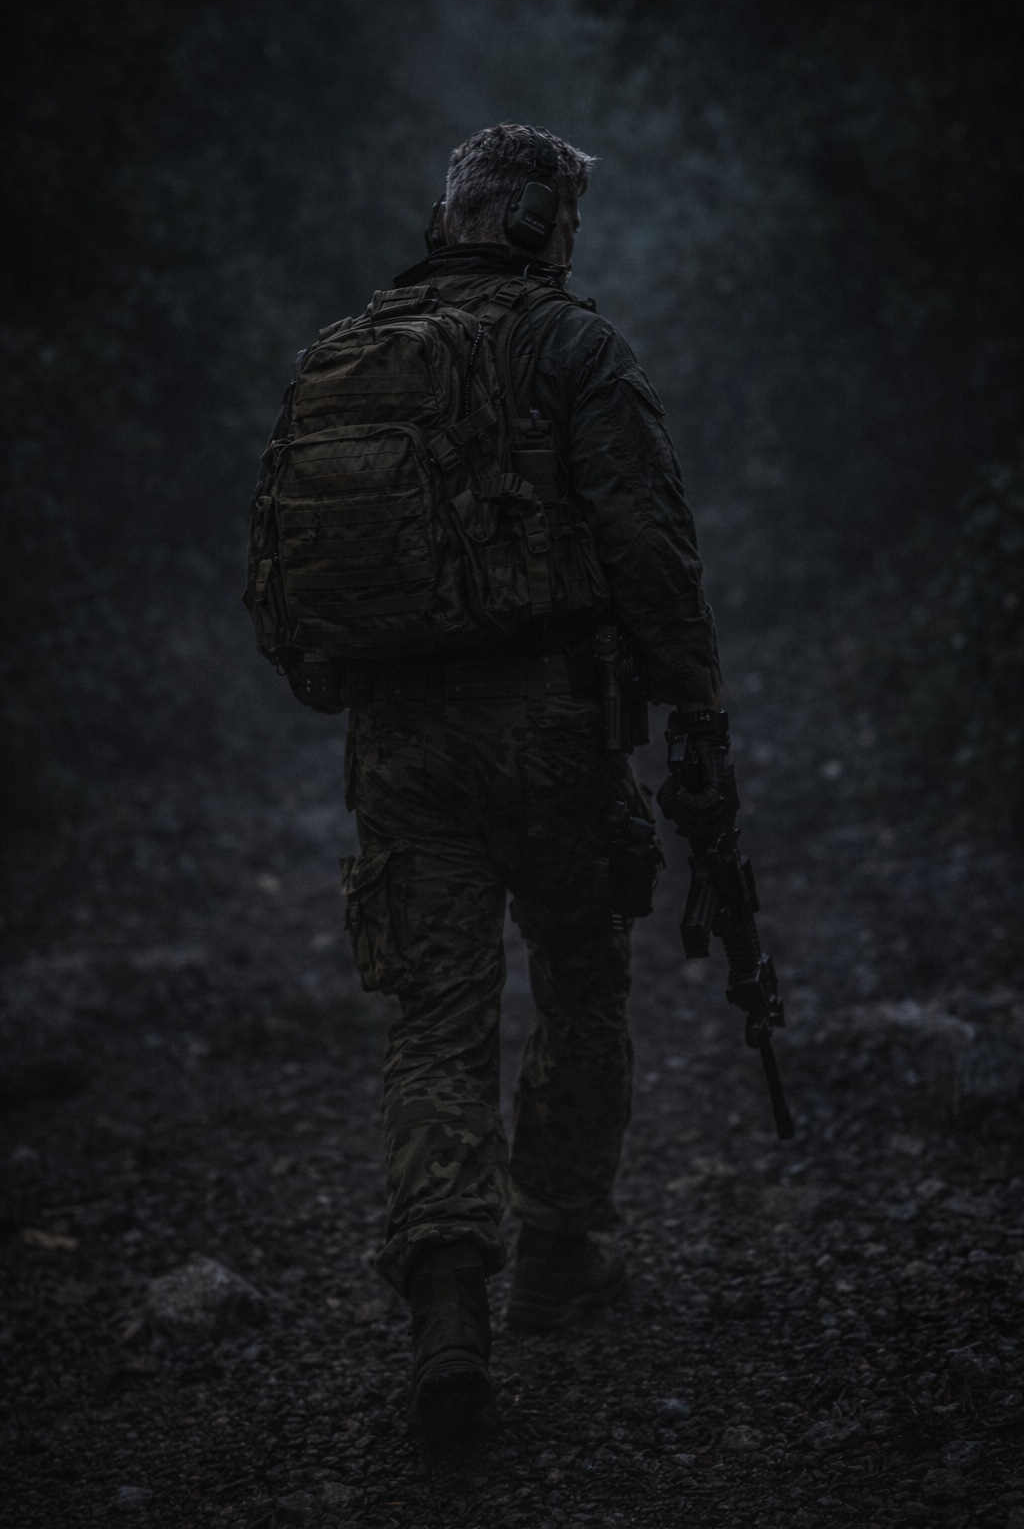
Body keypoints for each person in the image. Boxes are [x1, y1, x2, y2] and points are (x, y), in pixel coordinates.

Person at [339, 123, 722, 1441]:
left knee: (435, 1022)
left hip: (402, 742)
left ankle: (448, 1304)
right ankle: (557, 1257)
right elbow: (649, 544)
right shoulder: (577, 347)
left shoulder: (356, 352)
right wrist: (698, 712)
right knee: (577, 976)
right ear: (542, 228)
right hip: (557, 732)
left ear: (450, 220)